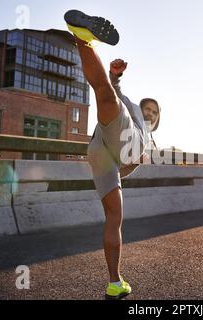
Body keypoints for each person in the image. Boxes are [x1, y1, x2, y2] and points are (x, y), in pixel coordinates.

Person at [64, 9, 161, 300]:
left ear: (158, 119)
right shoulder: (132, 110)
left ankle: (114, 282)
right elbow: (115, 91)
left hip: (105, 156)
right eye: (149, 108)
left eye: (155, 113)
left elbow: (129, 165)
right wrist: (115, 75)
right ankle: (83, 39)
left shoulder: (150, 140)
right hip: (114, 137)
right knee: (106, 93)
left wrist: (132, 164)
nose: (150, 113)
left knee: (114, 217)